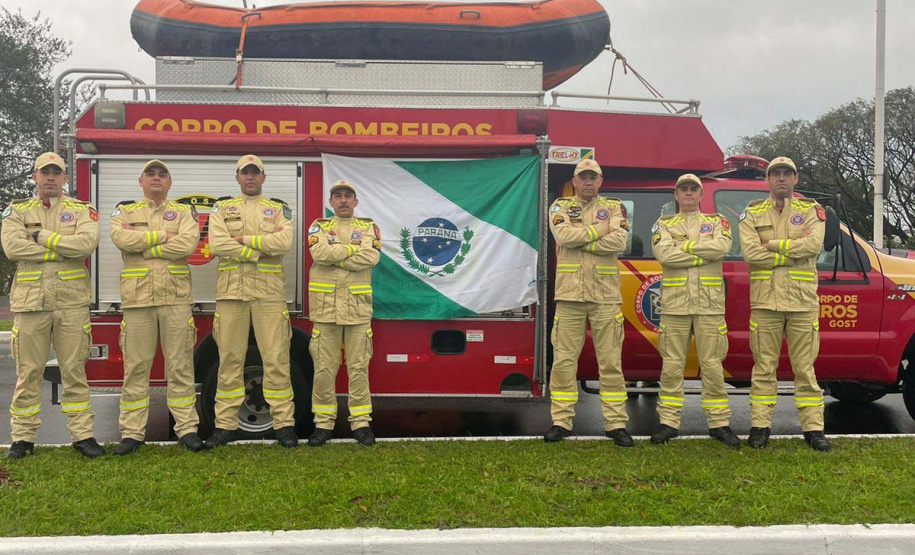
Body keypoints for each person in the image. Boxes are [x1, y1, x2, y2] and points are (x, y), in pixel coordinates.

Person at [1, 152, 104, 459]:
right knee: (28, 372)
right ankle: (22, 438)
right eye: (44, 172)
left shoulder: (81, 210)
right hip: (31, 303)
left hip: (71, 303)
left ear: (64, 178)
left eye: (56, 172)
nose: (50, 177)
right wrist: (59, 250)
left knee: (74, 371)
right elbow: (12, 248)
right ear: (34, 176)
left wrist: (40, 237)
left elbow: (86, 244)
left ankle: (82, 436)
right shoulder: (17, 210)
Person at [109, 159, 204, 455]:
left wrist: (144, 247)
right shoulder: (125, 211)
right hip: (138, 300)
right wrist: (164, 237)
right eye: (150, 173)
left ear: (169, 182)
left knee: (180, 366)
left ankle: (186, 429)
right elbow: (121, 239)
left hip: (175, 299)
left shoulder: (184, 212)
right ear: (140, 181)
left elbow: (187, 245)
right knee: (136, 367)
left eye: (162, 174)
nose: (156, 177)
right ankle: (132, 433)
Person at [204, 154, 297, 449]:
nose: (250, 177)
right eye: (245, 172)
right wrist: (258, 251)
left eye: (255, 172)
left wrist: (243, 240)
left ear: (263, 177)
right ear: (237, 178)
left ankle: (284, 425)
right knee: (230, 359)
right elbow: (217, 244)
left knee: (276, 359)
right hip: (231, 293)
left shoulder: (277, 209)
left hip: (269, 294)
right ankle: (225, 426)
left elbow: (283, 243)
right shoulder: (222, 208)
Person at [739, 156, 829, 451]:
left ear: (795, 179)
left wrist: (774, 245)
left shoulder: (811, 211)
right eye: (775, 173)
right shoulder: (752, 213)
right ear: (767, 180)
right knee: (764, 368)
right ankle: (760, 427)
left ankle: (814, 429)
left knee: (805, 369)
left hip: (802, 303)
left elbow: (813, 246)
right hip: (765, 303)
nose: (781, 178)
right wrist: (792, 254)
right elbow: (751, 253)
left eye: (786, 174)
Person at [543, 159, 633, 446]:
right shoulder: (559, 207)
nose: (588, 182)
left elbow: (619, 242)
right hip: (570, 296)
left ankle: (616, 424)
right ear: (574, 181)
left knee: (610, 362)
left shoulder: (615, 207)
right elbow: (563, 236)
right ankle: (561, 422)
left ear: (601, 182)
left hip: (605, 296)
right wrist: (600, 230)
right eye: (583, 177)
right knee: (564, 361)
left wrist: (583, 238)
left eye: (593, 177)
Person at [649, 174, 740, 448]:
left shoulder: (718, 222)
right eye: (683, 189)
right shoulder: (663, 224)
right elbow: (665, 255)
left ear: (701, 195)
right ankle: (668, 423)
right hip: (675, 306)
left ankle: (719, 423)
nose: (688, 193)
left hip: (709, 306)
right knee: (671, 366)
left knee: (712, 366)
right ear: (676, 195)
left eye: (693, 189)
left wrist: (684, 247)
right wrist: (702, 253)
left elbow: (721, 248)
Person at [306, 179, 381, 447]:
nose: (343, 200)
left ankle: (360, 423)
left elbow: (371, 258)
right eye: (338, 196)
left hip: (357, 311)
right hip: (325, 311)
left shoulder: (368, 227)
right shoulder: (318, 226)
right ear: (331, 202)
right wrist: (352, 249)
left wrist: (336, 254)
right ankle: (323, 424)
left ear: (356, 201)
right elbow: (319, 254)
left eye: (348, 196)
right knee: (324, 369)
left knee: (359, 368)